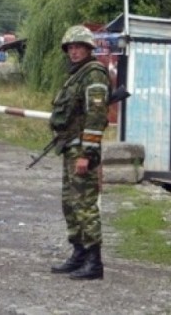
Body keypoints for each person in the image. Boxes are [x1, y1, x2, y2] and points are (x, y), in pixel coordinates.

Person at [49, 25, 110, 280]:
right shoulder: (77, 74)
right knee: (70, 204)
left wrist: (87, 154)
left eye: (79, 47)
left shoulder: (93, 75)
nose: (74, 52)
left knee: (84, 205)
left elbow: (96, 118)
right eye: (71, 48)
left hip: (82, 150)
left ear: (88, 48)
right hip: (70, 147)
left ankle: (94, 262)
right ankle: (79, 254)